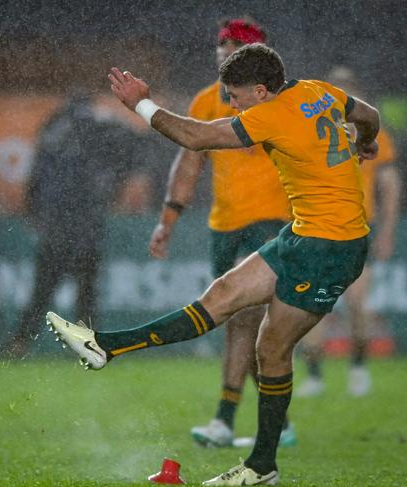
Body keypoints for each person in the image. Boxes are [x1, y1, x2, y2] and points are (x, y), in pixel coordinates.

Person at [48, 43, 379, 485]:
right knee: (221, 296)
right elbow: (369, 115)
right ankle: (105, 346)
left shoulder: (269, 115)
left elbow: (196, 137)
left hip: (331, 248)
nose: (231, 103)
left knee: (271, 349)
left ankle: (262, 467)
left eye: (236, 94)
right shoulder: (317, 91)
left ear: (261, 91)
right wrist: (366, 143)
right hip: (303, 235)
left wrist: (140, 104)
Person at [149, 18, 295, 448]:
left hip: (273, 221)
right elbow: (189, 161)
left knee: (246, 319)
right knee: (244, 325)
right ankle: (278, 422)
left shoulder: (280, 100)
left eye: (234, 44)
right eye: (221, 43)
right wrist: (168, 219)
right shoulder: (206, 102)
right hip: (224, 225)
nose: (222, 49)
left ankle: (224, 419)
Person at [296, 66, 401, 398]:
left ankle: (357, 367)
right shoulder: (308, 131)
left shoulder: (372, 133)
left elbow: (390, 184)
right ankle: (314, 375)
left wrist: (386, 232)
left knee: (357, 304)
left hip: (357, 228)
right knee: (311, 307)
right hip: (317, 228)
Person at [11, 93, 141, 357]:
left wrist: (35, 211)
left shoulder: (55, 132)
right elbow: (131, 150)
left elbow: (37, 180)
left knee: (45, 292)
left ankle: (21, 344)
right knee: (83, 294)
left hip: (63, 227)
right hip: (82, 227)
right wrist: (111, 188)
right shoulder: (98, 130)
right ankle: (87, 347)